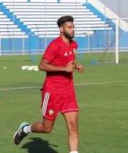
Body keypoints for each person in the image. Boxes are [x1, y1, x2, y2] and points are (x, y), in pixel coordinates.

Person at [13, 15, 84, 153]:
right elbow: (42, 65)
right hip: (52, 93)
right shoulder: (54, 45)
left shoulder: (74, 45)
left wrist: (76, 66)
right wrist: (64, 69)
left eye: (73, 26)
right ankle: (26, 129)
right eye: (69, 27)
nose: (73, 29)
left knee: (73, 127)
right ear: (61, 29)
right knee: (47, 128)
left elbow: (67, 62)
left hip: (68, 93)